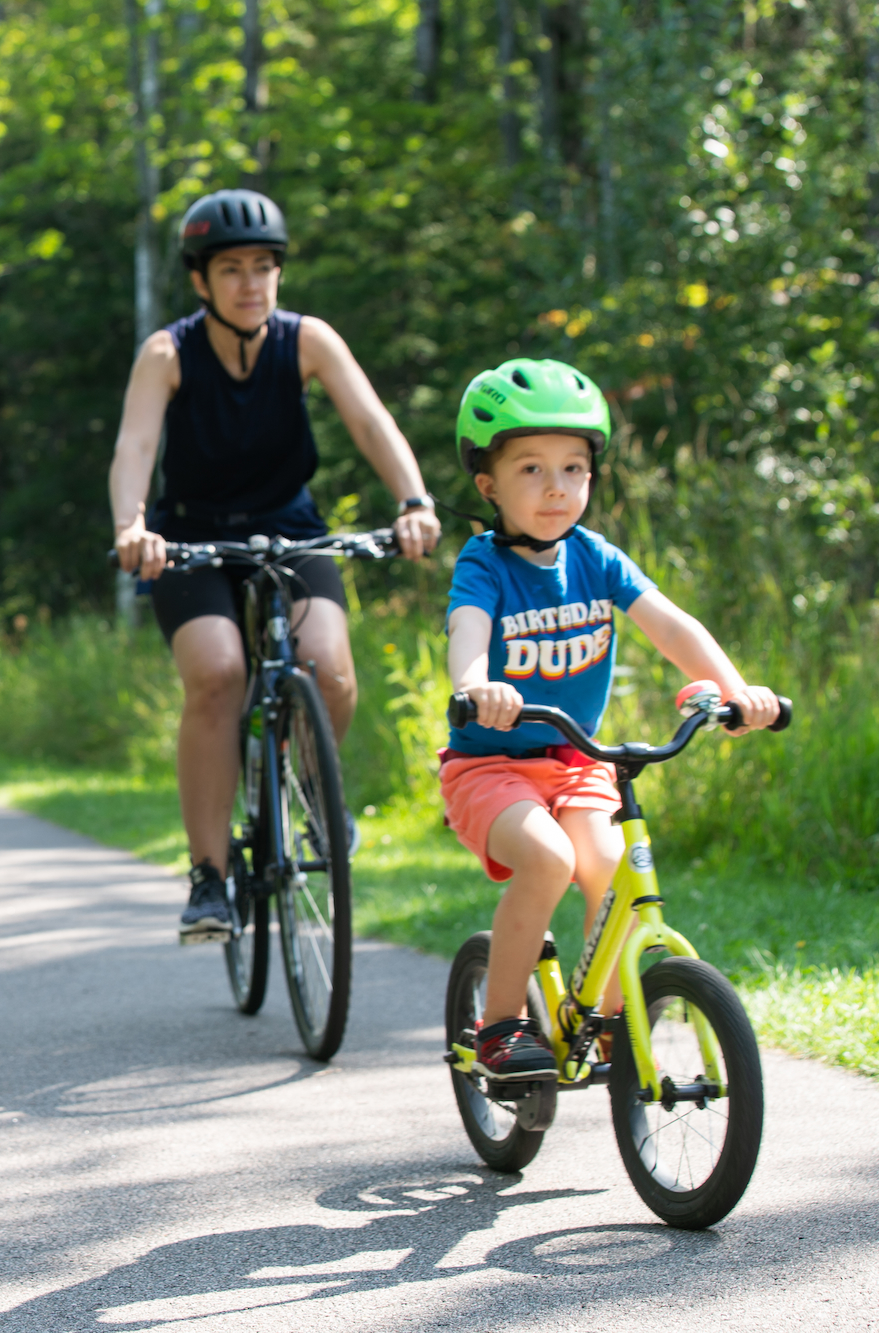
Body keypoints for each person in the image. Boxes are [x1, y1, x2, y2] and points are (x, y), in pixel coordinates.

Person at [110, 188, 442, 944]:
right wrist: (133, 527)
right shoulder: (168, 353)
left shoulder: (308, 340)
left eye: (265, 267)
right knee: (219, 673)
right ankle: (210, 876)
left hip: (290, 530)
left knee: (327, 668)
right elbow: (134, 449)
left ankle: (312, 789)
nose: (252, 283)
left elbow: (369, 419)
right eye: (232, 269)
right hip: (190, 540)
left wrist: (414, 500)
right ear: (201, 280)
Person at [441, 358, 780, 1077]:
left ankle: (604, 1016)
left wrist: (736, 687)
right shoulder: (483, 564)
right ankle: (500, 1023)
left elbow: (672, 626)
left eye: (573, 467)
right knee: (549, 858)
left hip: (576, 761)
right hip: (490, 765)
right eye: (530, 469)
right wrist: (477, 685)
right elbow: (466, 633)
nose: (557, 486)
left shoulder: (598, 557)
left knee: (612, 865)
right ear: (488, 484)